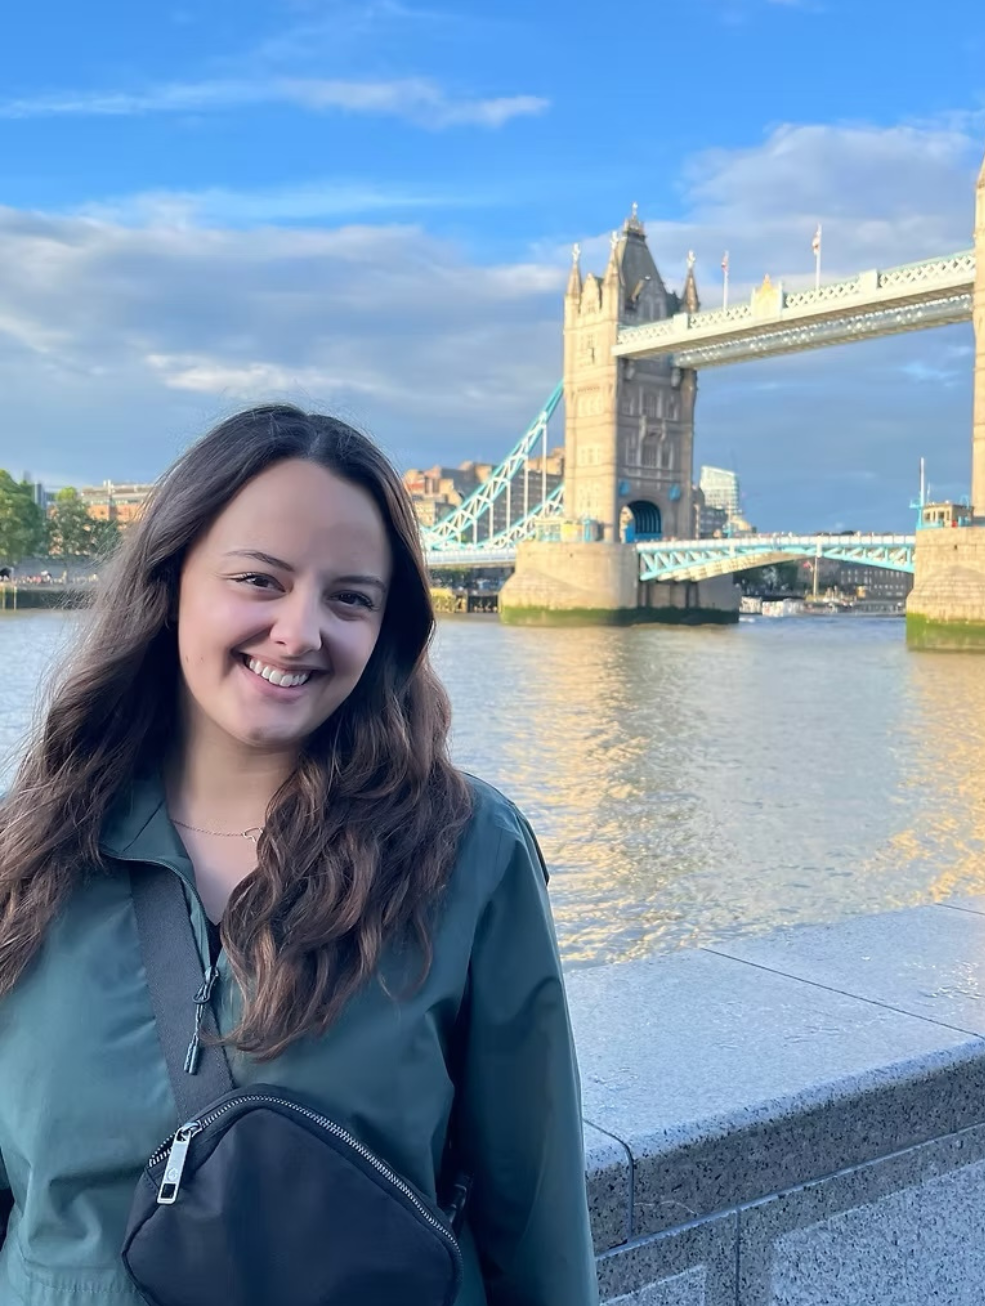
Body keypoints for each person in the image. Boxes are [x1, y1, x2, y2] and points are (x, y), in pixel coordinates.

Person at [0, 404, 600, 1306]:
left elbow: (537, 1221)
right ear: (171, 582)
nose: (300, 631)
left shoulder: (467, 854)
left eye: (350, 597)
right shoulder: (28, 846)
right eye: (259, 580)